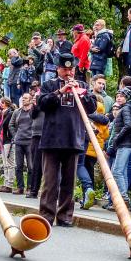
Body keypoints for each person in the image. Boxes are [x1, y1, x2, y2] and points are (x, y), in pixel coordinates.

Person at [38, 53, 97, 227]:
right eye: (65, 69)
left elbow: (92, 107)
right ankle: (46, 216)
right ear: (58, 69)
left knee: (69, 182)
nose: (68, 72)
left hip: (73, 139)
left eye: (71, 69)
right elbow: (42, 104)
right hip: (52, 140)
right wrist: (60, 91)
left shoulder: (83, 85)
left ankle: (64, 216)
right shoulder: (49, 85)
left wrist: (82, 92)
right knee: (50, 181)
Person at [104, 88, 131, 210]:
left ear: (127, 98)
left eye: (122, 96)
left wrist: (116, 138)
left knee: (117, 171)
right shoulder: (125, 108)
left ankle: (123, 198)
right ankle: (122, 199)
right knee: (120, 172)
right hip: (123, 144)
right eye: (117, 96)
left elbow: (128, 125)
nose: (118, 98)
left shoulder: (126, 109)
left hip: (124, 144)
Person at [10, 92, 35, 195]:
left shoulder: (34, 111)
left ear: (30, 100)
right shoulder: (17, 112)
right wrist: (15, 135)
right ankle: (20, 187)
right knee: (18, 166)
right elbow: (11, 125)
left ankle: (30, 187)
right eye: (22, 98)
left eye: (25, 98)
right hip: (19, 141)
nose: (23, 100)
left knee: (31, 166)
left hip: (30, 141)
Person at [0, 96, 15, 193]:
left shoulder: (10, 113)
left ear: (5, 103)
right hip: (2, 140)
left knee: (9, 163)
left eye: (1, 102)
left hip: (8, 140)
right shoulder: (2, 114)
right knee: (5, 163)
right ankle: (5, 183)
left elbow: (9, 125)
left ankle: (9, 184)